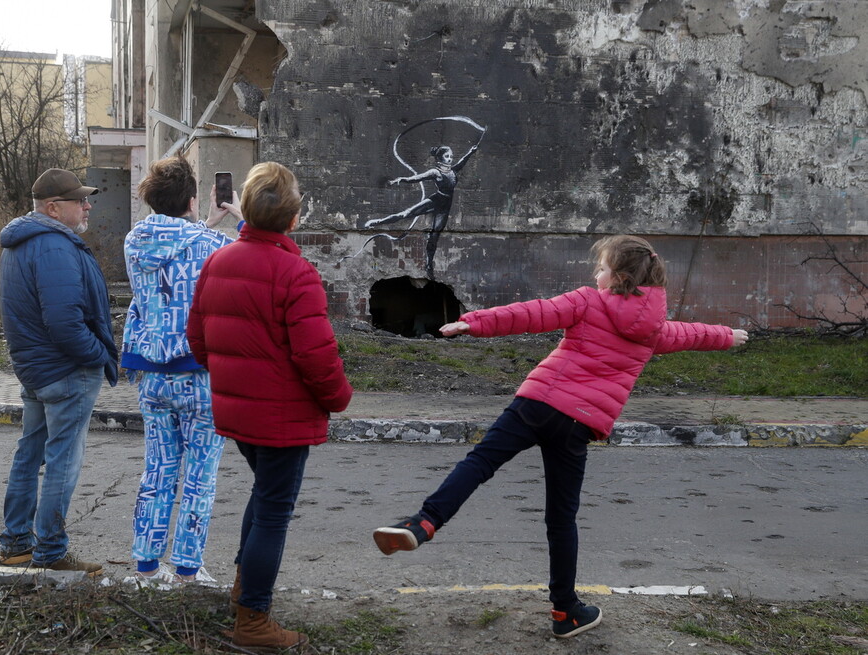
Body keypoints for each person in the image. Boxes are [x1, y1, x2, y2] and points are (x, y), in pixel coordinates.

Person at [372, 235, 749, 639]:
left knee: (479, 463)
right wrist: (729, 335)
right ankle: (566, 612)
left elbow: (533, 313)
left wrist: (475, 321)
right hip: (578, 425)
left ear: (618, 277)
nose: (595, 274)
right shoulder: (654, 331)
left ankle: (423, 523)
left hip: (536, 403)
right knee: (561, 517)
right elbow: (692, 334)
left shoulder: (587, 301)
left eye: (601, 268)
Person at [188, 162, 352, 653]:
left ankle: (245, 592)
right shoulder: (296, 272)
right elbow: (315, 354)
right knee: (273, 511)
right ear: (294, 218)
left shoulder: (218, 262)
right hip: (282, 418)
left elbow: (198, 338)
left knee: (263, 499)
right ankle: (253, 620)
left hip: (239, 413)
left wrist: (232, 376)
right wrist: (339, 398)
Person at [120, 156, 242, 588]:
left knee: (157, 470)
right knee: (199, 476)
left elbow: (177, 248)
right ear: (191, 199)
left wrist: (203, 222)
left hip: (151, 374)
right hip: (200, 376)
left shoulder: (134, 241)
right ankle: (189, 568)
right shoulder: (212, 245)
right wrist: (238, 217)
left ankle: (147, 566)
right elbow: (258, 254)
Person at [0, 168, 120, 576]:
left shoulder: (22, 242)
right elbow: (65, 322)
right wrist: (98, 355)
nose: (87, 206)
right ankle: (50, 552)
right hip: (66, 371)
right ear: (53, 208)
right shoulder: (54, 246)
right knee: (62, 461)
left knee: (29, 453)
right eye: (79, 201)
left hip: (36, 369)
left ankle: (16, 544)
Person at [364, 143, 479, 278]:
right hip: (436, 200)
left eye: (451, 156)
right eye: (447, 156)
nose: (450, 159)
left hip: (445, 207)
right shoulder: (435, 172)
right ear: (440, 159)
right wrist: (402, 179)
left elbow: (462, 162)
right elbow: (417, 178)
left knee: (434, 235)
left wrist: (471, 152)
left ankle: (429, 264)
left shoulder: (453, 171)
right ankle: (377, 222)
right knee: (406, 214)